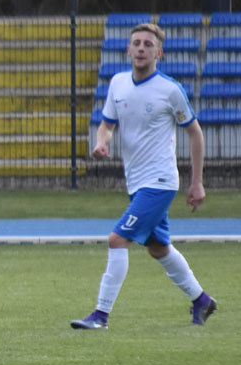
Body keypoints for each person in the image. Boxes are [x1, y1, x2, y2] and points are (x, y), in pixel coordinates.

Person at [71, 23, 216, 330]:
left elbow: (195, 132)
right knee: (158, 248)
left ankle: (100, 315)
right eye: (136, 43)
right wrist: (101, 142)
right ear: (128, 49)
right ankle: (201, 300)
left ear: (158, 52)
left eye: (147, 44)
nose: (140, 48)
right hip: (137, 183)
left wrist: (197, 181)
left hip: (160, 182)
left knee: (117, 239)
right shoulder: (118, 83)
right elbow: (107, 124)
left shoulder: (169, 90)